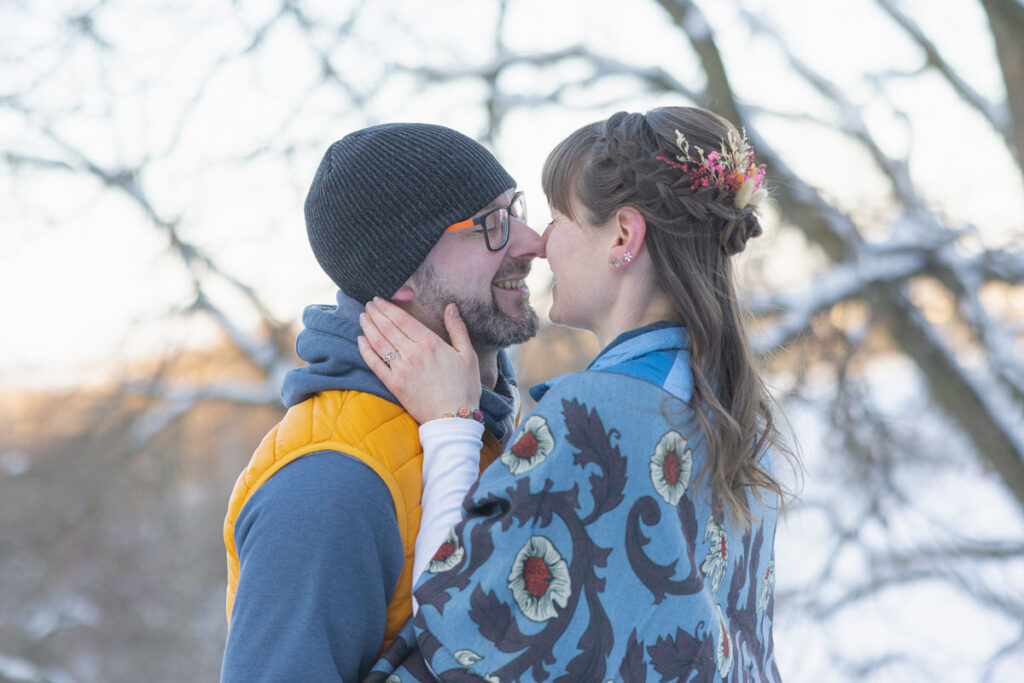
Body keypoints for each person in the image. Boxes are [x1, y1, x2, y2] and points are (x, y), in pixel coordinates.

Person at [359, 106, 793, 681]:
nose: (539, 243)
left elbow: (462, 630)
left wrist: (450, 424)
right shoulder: (731, 405)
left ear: (623, 236)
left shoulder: (600, 417)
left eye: (559, 217)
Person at [220, 122, 543, 682]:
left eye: (515, 208)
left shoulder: (493, 425)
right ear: (401, 274)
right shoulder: (330, 481)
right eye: (491, 226)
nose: (531, 241)